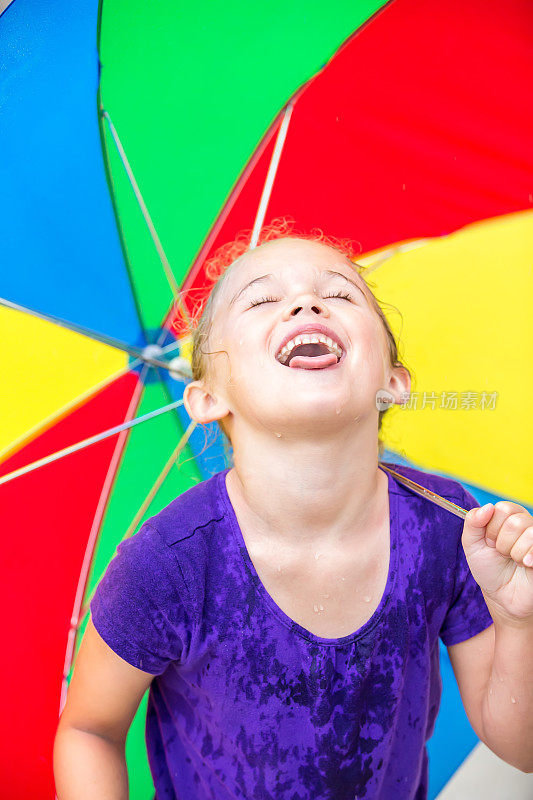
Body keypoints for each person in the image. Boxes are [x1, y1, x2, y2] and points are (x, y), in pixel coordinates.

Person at [53, 229, 533, 799]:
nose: (307, 304)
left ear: (393, 382)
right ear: (209, 399)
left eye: (341, 295)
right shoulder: (165, 566)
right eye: (260, 300)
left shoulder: (450, 528)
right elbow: (88, 730)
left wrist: (518, 622)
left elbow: (520, 750)